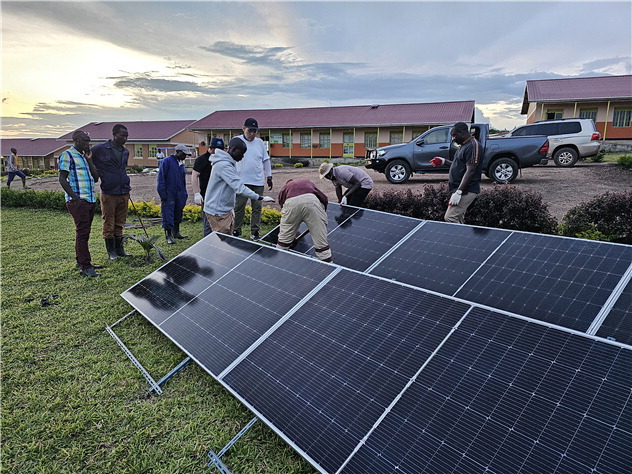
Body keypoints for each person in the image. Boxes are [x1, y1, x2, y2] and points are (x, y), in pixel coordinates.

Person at [204, 137, 274, 235]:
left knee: (226, 240)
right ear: (233, 150)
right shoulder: (224, 166)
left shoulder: (229, 164)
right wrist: (260, 197)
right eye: (241, 153)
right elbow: (239, 188)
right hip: (217, 211)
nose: (242, 157)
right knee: (222, 243)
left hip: (224, 210)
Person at [58, 130, 103, 277]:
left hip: (89, 199)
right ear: (76, 140)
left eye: (88, 141)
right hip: (79, 201)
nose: (88, 144)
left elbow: (96, 178)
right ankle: (86, 266)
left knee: (84, 232)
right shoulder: (67, 155)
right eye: (85, 141)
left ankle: (80, 260)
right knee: (82, 233)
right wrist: (75, 198)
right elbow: (62, 179)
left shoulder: (85, 157)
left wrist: (90, 160)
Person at [91, 124, 132, 260]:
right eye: (122, 136)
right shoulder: (99, 149)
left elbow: (123, 169)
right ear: (114, 134)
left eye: (127, 136)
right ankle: (111, 252)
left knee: (120, 222)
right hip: (109, 192)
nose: (125, 138)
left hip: (124, 191)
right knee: (109, 222)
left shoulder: (125, 151)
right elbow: (88, 160)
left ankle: (120, 250)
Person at [430, 121, 483, 224]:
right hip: (459, 189)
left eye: (454, 135)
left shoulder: (473, 146)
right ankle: (463, 239)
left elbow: (470, 171)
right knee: (459, 218)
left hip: (467, 190)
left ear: (462, 132)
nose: (453, 138)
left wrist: (459, 192)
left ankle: (459, 239)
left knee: (450, 217)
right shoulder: (463, 146)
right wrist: (443, 161)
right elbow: (458, 165)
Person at [233, 117, 273, 240]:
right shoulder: (236, 141)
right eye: (249, 131)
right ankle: (236, 230)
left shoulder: (260, 142)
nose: (252, 134)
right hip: (242, 181)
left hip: (257, 181)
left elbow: (266, 160)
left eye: (254, 131)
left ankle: (255, 232)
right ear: (243, 129)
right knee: (239, 207)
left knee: (257, 208)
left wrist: (269, 176)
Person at [276, 179, 333, 262]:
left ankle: (278, 260)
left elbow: (282, 204)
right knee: (321, 243)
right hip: (311, 202)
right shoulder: (307, 182)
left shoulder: (285, 188)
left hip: (291, 204)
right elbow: (324, 198)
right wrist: (321, 216)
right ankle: (328, 264)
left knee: (284, 239)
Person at [192, 137, 225, 237]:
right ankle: (207, 243)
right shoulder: (201, 160)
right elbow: (194, 176)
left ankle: (219, 242)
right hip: (207, 196)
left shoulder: (221, 160)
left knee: (221, 222)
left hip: (220, 195)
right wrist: (196, 193)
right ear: (211, 148)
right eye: (217, 149)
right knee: (208, 223)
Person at [157, 144, 190, 244]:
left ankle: (176, 232)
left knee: (178, 212)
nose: (185, 157)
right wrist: (163, 194)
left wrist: (184, 193)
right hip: (169, 193)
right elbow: (161, 179)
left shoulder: (181, 165)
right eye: (184, 154)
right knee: (168, 214)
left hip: (179, 193)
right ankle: (168, 235)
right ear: (178, 152)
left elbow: (183, 181)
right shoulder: (166, 162)